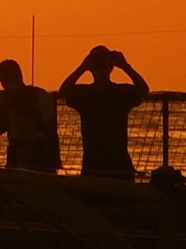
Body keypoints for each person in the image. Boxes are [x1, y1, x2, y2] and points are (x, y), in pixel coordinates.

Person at [59, 47, 150, 183]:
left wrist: (82, 67)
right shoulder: (119, 93)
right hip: (115, 160)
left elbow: (64, 91)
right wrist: (125, 67)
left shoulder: (86, 95)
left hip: (96, 161)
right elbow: (143, 90)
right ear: (111, 68)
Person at [0, 58, 62, 172]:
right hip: (16, 157)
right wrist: (4, 101)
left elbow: (51, 129)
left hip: (40, 157)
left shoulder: (40, 96)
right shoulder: (7, 101)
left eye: (5, 80)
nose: (3, 84)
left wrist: (54, 159)